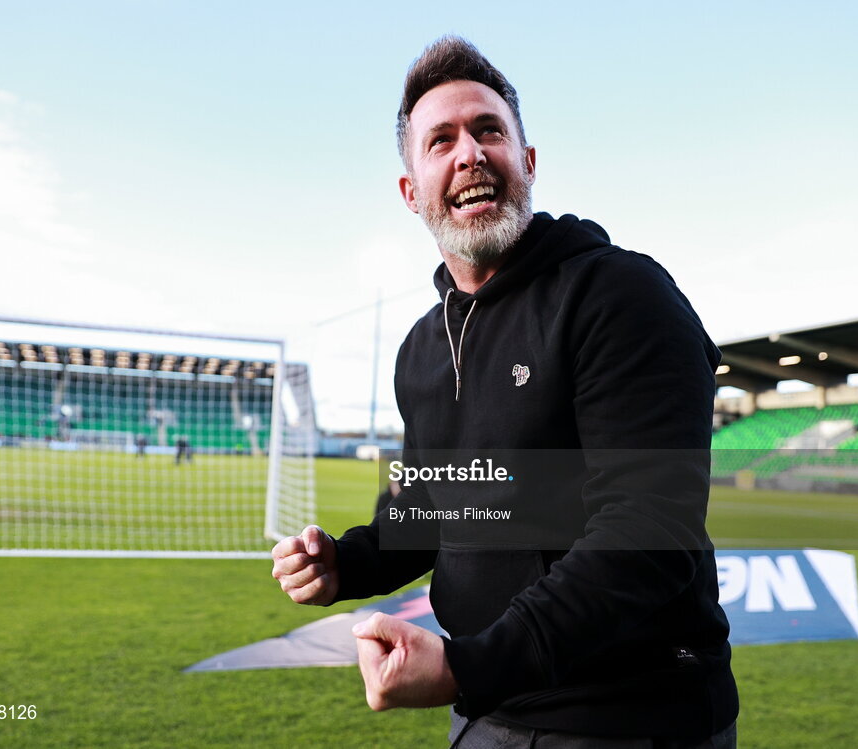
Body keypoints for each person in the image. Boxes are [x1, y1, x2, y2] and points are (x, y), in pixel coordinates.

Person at [272, 37, 738, 747]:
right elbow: (434, 503)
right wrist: (347, 561)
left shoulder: (617, 293)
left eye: (489, 130)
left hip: (624, 720)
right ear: (411, 190)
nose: (469, 153)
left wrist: (467, 665)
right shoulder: (421, 348)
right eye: (441, 140)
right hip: (490, 708)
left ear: (525, 161)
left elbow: (646, 533)